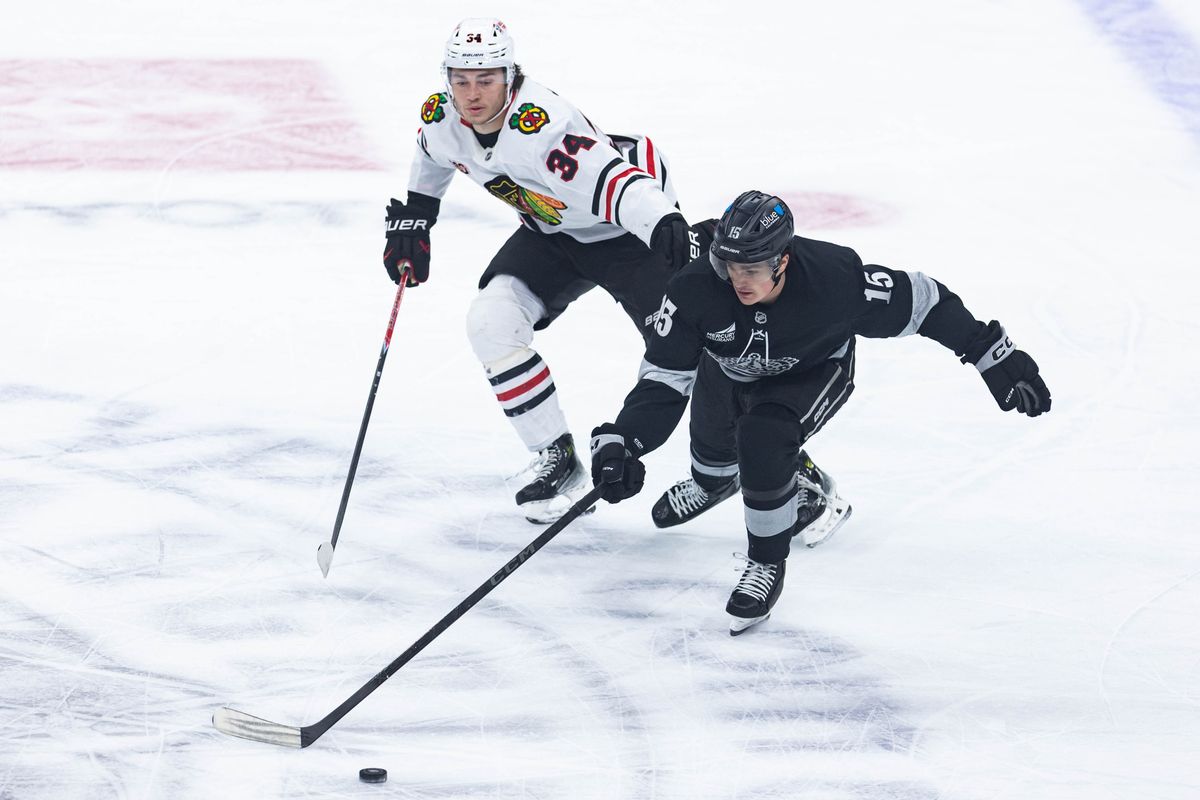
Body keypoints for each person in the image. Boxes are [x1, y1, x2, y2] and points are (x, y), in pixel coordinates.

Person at [589, 190, 1051, 635]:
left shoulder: (834, 280)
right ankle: (717, 482)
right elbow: (664, 379)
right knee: (712, 460)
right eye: (730, 266)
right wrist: (624, 440)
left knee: (763, 437)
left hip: (810, 372)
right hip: (728, 370)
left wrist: (992, 352)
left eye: (752, 268)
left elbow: (926, 301)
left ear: (782, 260)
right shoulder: (694, 290)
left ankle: (766, 562)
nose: (739, 280)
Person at [382, 18, 693, 523]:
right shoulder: (441, 115)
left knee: (694, 353)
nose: (472, 93)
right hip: (552, 233)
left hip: (626, 234)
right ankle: (556, 455)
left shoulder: (542, 126)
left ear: (510, 76)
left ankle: (793, 476)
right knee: (491, 321)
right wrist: (417, 218)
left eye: (485, 80)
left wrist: (662, 221)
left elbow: (614, 180)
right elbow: (433, 153)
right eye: (460, 79)